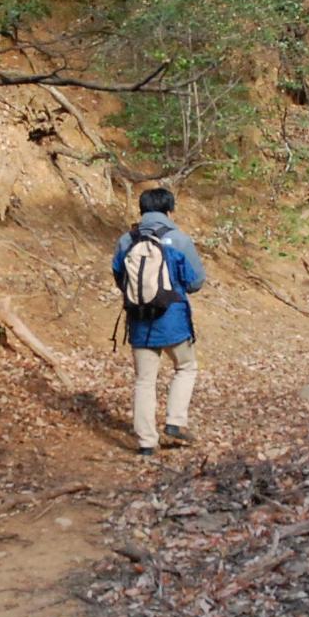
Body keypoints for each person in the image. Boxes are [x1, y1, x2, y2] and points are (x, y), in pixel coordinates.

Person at [112, 188, 206, 455]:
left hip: (139, 320)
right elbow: (196, 281)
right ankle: (175, 421)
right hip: (173, 319)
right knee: (186, 366)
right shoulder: (179, 240)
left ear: (141, 211)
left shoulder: (125, 240)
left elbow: (120, 277)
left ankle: (146, 443)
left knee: (144, 380)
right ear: (169, 211)